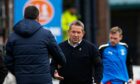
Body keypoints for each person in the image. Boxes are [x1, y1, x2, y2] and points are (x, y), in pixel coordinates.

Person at [4, 6, 66, 84]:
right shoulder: (46, 34)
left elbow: (8, 61)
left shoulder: (13, 36)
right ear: (38, 17)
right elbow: (60, 57)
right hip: (43, 80)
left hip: (22, 80)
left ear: (24, 16)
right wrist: (54, 68)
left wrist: (19, 73)